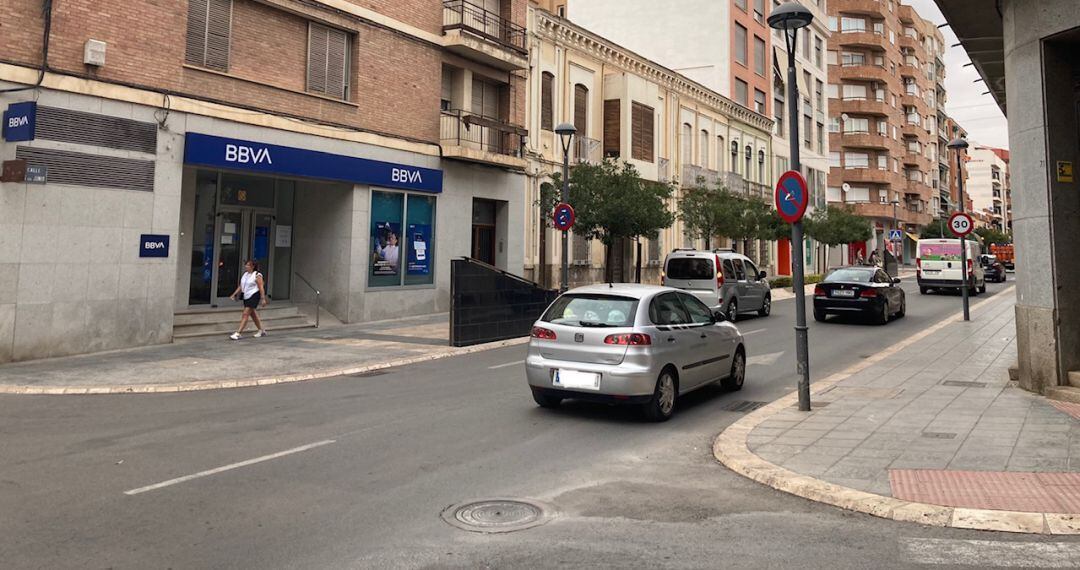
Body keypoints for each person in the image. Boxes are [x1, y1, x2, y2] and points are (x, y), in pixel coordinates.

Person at [228, 260, 267, 340]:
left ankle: (238, 333)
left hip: (254, 295)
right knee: (253, 314)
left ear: (253, 266)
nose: (246, 267)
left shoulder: (257, 275)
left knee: (245, 314)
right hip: (246, 296)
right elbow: (241, 286)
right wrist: (234, 294)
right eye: (246, 265)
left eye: (248, 265)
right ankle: (261, 330)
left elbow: (261, 287)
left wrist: (263, 298)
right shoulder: (245, 274)